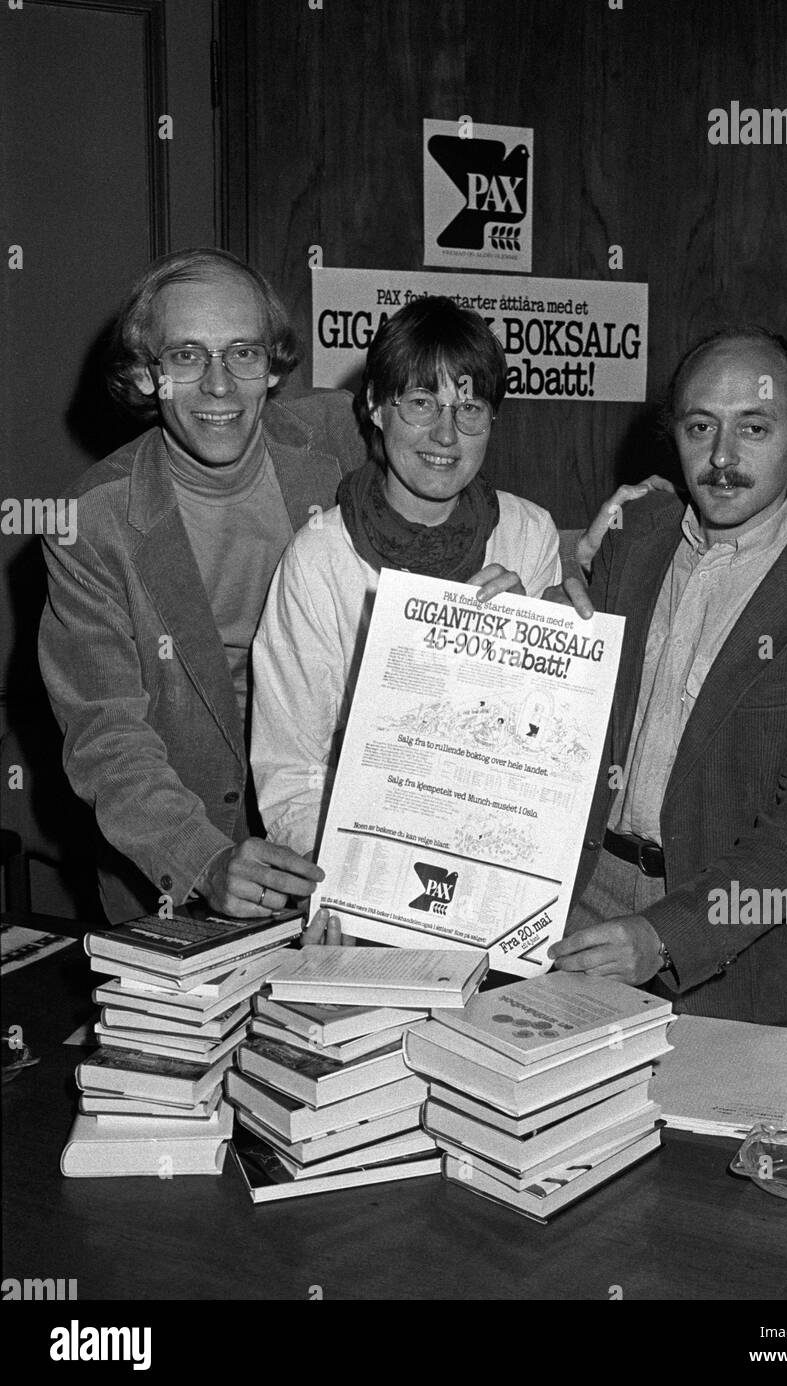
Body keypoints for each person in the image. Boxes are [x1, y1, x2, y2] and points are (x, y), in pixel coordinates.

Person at [549, 327, 787, 1027]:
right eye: (699, 427)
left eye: (753, 428)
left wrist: (664, 935)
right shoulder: (633, 532)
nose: (721, 458)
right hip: (576, 899)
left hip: (736, 947)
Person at [39, 248, 368, 926]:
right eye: (186, 356)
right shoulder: (90, 522)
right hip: (175, 876)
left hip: (345, 848)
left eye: (242, 354)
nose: (218, 385)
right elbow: (107, 734)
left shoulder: (345, 442)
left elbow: (459, 479)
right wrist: (204, 860)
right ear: (142, 373)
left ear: (272, 366)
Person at [250, 296, 562, 856]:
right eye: (421, 402)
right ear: (375, 406)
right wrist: (343, 884)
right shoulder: (321, 557)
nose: (446, 435)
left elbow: (542, 757)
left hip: (493, 851)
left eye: (469, 409)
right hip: (362, 854)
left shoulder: (528, 534)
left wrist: (523, 660)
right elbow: (292, 776)